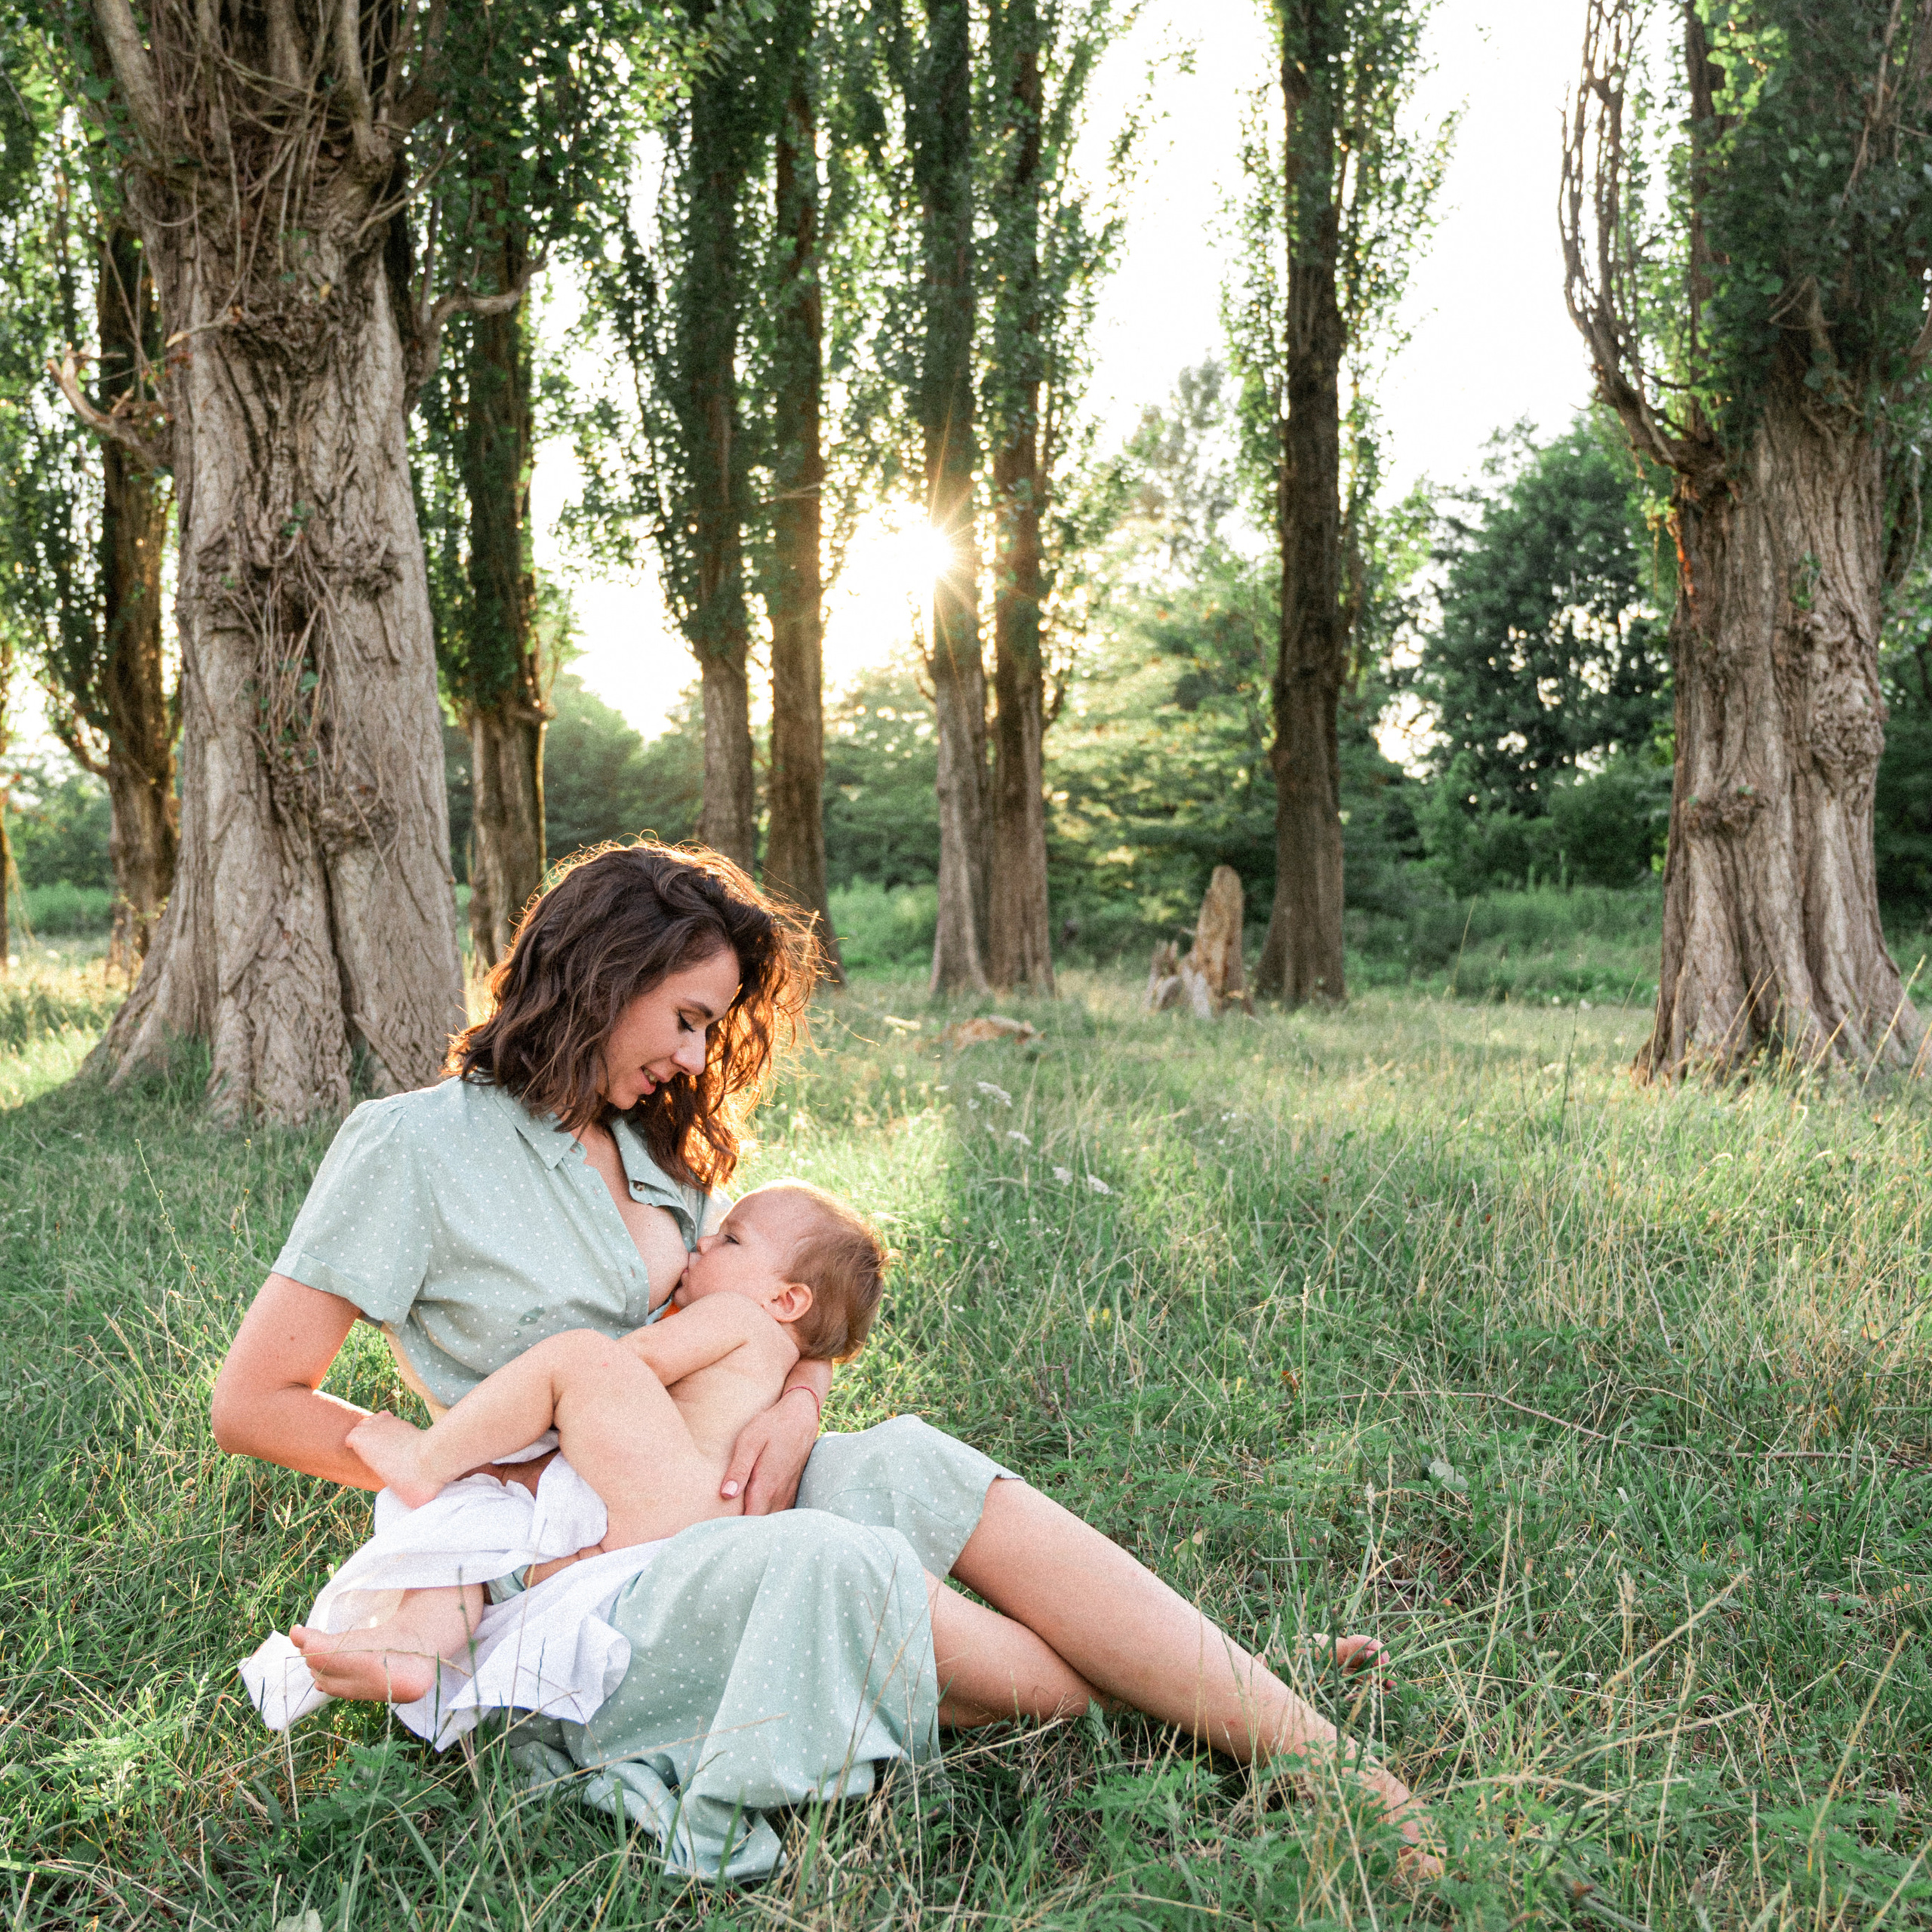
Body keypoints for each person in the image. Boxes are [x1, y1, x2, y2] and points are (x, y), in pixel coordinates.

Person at [211, 841, 1430, 1878]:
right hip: (569, 1571)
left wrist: (803, 1401)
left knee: (907, 1464)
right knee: (833, 1562)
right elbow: (252, 1400)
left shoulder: (659, 1152)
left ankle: (1220, 1693)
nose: (697, 1058)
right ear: (602, 973)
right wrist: (410, 1460)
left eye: (712, 1028)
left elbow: (773, 1316)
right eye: (687, 1018)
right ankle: (1245, 1715)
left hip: (713, 1496)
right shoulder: (413, 1149)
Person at [281, 1180, 1091, 1734]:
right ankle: (417, 1644)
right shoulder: (775, 1349)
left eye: (730, 1237)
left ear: (785, 1299)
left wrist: (632, 1326)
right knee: (480, 1532)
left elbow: (637, 1361)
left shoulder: (738, 1318)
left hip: (677, 1504)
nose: (705, 1241)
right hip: (675, 1524)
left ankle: (425, 1458)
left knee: (577, 1359)